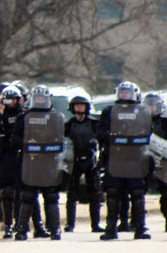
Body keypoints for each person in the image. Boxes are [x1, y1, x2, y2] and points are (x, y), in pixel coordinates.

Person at [96, 81, 152, 240]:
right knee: (113, 193)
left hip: (135, 159)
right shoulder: (109, 111)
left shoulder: (141, 112)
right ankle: (111, 229)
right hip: (115, 158)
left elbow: (148, 132)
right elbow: (100, 132)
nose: (124, 95)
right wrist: (114, 139)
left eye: (127, 92)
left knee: (137, 193)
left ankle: (140, 228)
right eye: (122, 92)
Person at [63, 95, 103, 233]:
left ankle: (96, 224)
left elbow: (102, 139)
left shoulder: (94, 123)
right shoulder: (68, 124)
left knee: (95, 193)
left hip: (91, 161)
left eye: (82, 105)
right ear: (72, 108)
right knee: (72, 194)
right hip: (74, 160)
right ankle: (70, 224)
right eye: (77, 105)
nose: (79, 108)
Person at [0, 84, 26, 238]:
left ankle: (20, 223)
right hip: (6, 155)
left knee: (21, 192)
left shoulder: (24, 115)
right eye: (7, 100)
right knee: (7, 191)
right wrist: (0, 113)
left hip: (21, 156)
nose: (10, 103)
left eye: (13, 100)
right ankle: (7, 224)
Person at [143, 92, 167, 233]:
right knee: (138, 191)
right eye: (148, 105)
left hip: (162, 164)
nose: (151, 108)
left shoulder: (166, 123)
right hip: (144, 162)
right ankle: (136, 221)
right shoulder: (140, 121)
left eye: (154, 105)